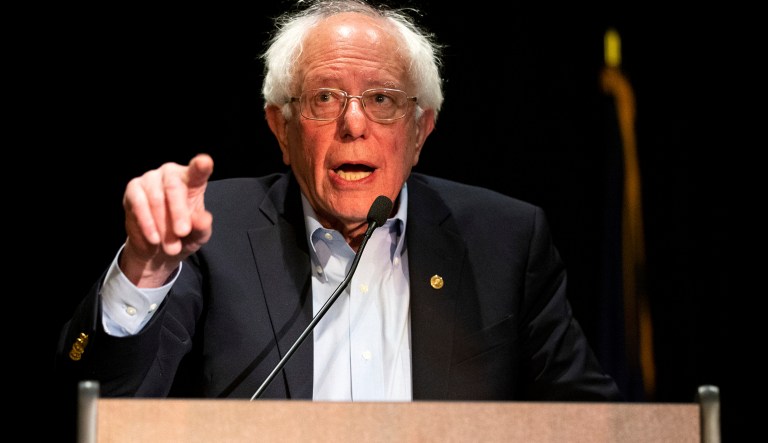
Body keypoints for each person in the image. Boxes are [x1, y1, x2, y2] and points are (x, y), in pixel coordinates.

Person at [55, 0, 621, 402]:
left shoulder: (505, 240)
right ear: (281, 128)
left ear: (420, 131)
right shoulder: (212, 233)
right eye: (325, 98)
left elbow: (593, 422)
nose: (354, 124)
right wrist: (147, 270)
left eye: (382, 99)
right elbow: (103, 405)